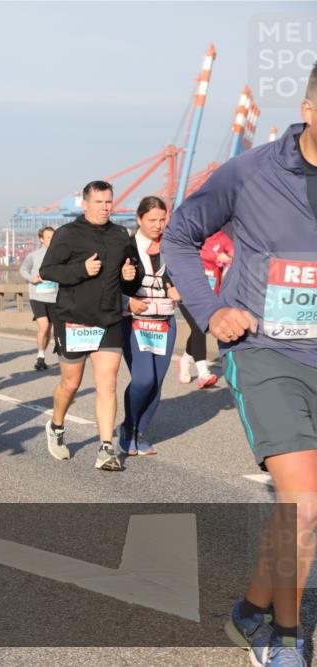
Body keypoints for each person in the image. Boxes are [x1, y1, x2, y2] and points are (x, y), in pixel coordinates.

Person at [161, 65, 317, 667]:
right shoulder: (250, 173)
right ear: (309, 110)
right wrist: (212, 310)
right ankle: (282, 639)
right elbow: (180, 235)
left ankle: (250, 607)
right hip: (267, 353)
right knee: (304, 504)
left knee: (299, 507)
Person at [39, 180, 143, 472]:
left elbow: (134, 279)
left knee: (107, 384)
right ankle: (57, 425)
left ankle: (105, 448)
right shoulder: (68, 234)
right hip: (73, 319)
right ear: (84, 204)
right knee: (71, 384)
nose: (105, 207)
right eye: (98, 202)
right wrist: (80, 270)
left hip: (109, 318)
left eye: (109, 202)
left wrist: (129, 274)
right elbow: (47, 270)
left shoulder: (121, 235)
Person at [119, 196, 181, 457]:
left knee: (157, 383)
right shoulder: (126, 247)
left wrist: (182, 289)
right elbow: (109, 284)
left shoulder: (174, 247)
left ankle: (141, 432)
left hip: (165, 322)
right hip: (135, 322)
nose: (157, 225)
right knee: (144, 379)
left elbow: (189, 275)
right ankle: (127, 428)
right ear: (139, 219)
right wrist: (126, 300)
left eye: (162, 220)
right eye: (152, 220)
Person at [176, 229, 232, 388]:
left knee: (197, 329)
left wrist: (227, 259)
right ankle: (203, 373)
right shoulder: (192, 235)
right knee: (199, 326)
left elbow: (239, 256)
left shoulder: (223, 238)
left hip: (210, 294)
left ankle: (185, 360)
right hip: (188, 291)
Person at [20, 226, 59, 370]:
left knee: (49, 329)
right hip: (37, 296)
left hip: (54, 297)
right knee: (44, 326)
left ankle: (43, 353)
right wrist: (32, 278)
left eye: (53, 237)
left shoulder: (60, 255)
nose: (51, 240)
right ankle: (40, 356)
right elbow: (23, 269)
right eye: (48, 237)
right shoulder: (34, 255)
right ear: (41, 239)